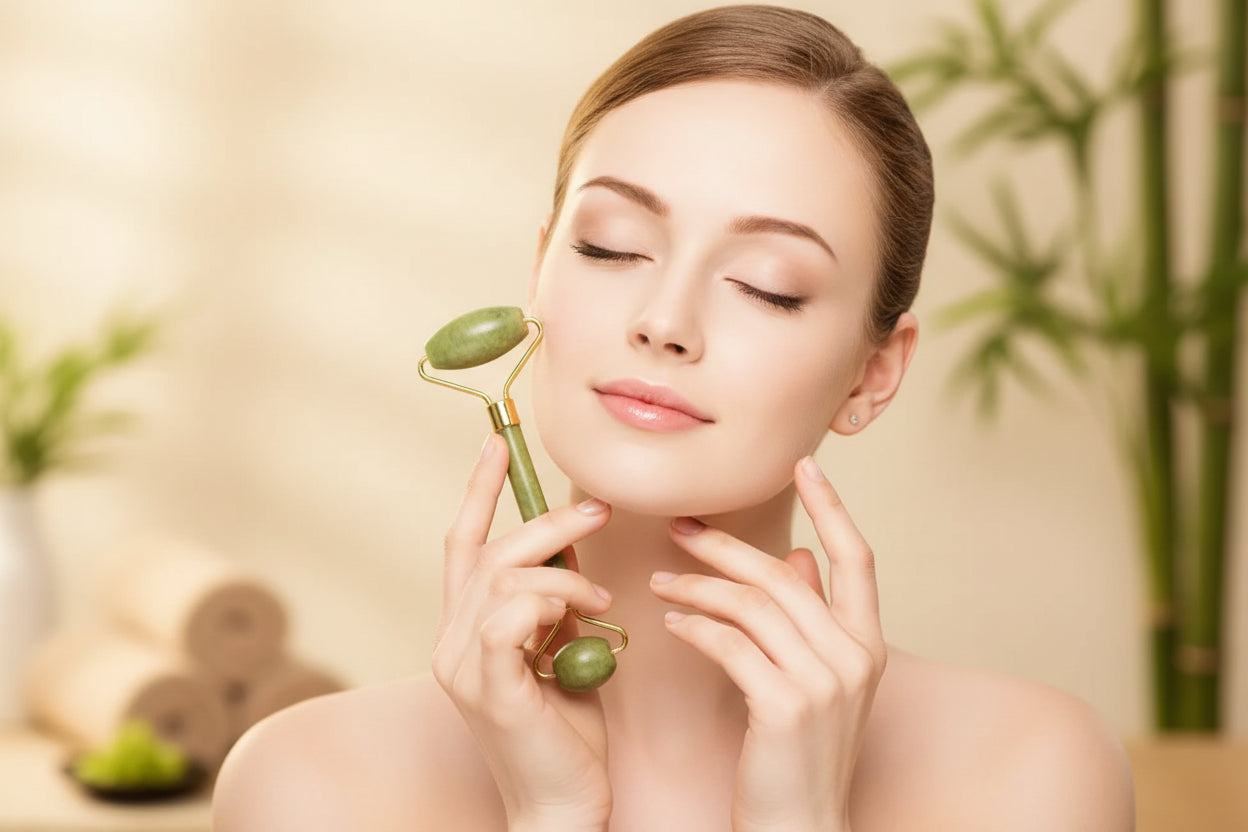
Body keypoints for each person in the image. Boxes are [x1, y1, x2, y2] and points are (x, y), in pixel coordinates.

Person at [212, 6, 1135, 830]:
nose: (663, 321)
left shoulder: (1029, 777)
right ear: (541, 272)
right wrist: (553, 813)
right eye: (611, 247)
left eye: (768, 289)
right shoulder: (310, 787)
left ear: (872, 375)